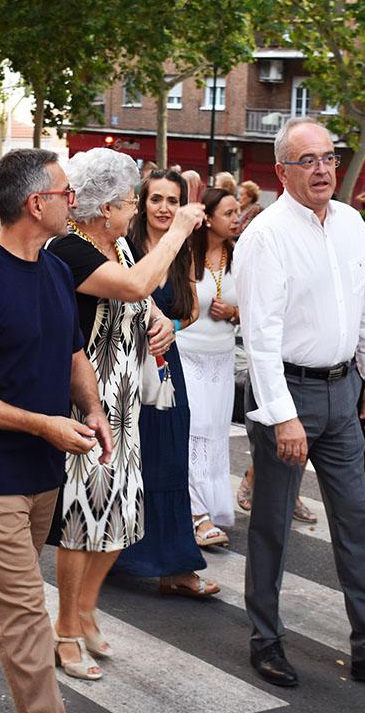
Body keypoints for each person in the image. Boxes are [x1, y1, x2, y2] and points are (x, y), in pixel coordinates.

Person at [239, 117, 365, 688]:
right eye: (308, 160)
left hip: (345, 390)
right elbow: (261, 337)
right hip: (290, 395)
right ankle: (266, 641)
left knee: (357, 521)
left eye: (328, 157)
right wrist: (282, 416)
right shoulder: (265, 234)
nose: (323, 168)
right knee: (272, 528)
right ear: (281, 171)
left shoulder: (352, 223)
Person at [0, 147, 113, 713]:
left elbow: (72, 349)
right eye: (65, 193)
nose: (74, 201)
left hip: (40, 468)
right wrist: (43, 424)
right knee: (27, 613)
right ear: (37, 204)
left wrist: (94, 408)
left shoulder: (56, 269)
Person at [44, 147, 201, 679]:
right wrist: (180, 228)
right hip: (87, 402)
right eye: (130, 202)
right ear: (104, 207)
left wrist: (160, 322)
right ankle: (65, 629)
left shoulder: (119, 249)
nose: (134, 210)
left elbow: (145, 299)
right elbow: (134, 287)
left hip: (128, 401)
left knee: (120, 512)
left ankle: (86, 612)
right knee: (81, 519)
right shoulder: (71, 249)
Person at [112, 170, 220, 597]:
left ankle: (176, 564)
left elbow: (190, 309)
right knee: (125, 459)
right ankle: (116, 553)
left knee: (171, 457)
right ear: (141, 202)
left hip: (164, 363)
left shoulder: (183, 250)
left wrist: (171, 326)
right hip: (122, 361)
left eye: (172, 201)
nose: (163, 208)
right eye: (155, 199)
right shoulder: (124, 245)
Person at [177, 187, 241, 546]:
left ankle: (210, 508)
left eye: (237, 213)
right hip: (188, 354)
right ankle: (196, 514)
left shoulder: (240, 255)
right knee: (193, 432)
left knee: (215, 435)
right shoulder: (186, 254)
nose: (236, 219)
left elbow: (258, 307)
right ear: (208, 219)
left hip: (222, 357)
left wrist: (233, 313)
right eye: (229, 213)